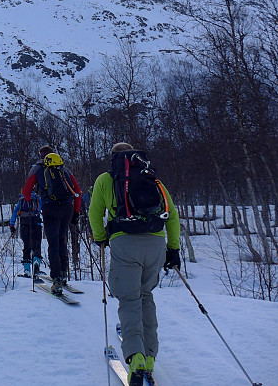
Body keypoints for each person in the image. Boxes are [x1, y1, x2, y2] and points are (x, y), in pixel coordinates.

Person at [89, 142, 181, 386]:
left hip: (125, 242)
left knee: (129, 300)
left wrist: (100, 238)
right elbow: (172, 214)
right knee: (145, 296)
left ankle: (136, 359)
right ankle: (150, 357)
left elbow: (94, 213)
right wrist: (173, 248)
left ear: (113, 158)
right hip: (156, 244)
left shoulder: (106, 179)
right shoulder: (152, 178)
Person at [22, 146, 81, 295]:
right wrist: (76, 212)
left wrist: (30, 203)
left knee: (53, 242)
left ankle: (56, 279)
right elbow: (78, 192)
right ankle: (64, 273)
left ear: (41, 155)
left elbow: (26, 191)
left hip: (50, 208)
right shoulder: (64, 169)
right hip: (67, 207)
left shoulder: (37, 169)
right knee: (62, 240)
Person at [9, 194, 42, 278]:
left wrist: (12, 224)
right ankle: (36, 263)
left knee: (27, 246)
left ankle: (27, 270)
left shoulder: (22, 200)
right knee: (37, 245)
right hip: (36, 224)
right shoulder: (37, 199)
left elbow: (15, 212)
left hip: (24, 224)